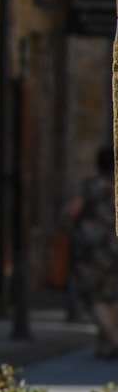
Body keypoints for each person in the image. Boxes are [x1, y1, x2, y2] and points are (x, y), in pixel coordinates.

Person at [67, 146, 118, 358]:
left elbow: (73, 211)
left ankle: (114, 340)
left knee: (94, 296)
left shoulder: (93, 186)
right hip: (114, 247)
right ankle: (104, 345)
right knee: (112, 295)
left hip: (94, 249)